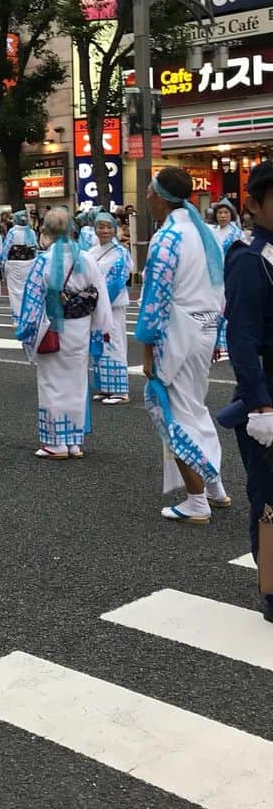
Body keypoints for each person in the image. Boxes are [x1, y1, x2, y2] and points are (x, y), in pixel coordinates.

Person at [136, 167, 230, 523]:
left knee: (170, 413)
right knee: (194, 408)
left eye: (148, 191)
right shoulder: (205, 233)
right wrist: (218, 334)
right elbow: (220, 291)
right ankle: (215, 487)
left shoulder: (167, 238)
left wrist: (146, 346)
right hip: (204, 330)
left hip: (176, 334)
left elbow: (155, 298)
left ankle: (196, 499)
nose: (146, 197)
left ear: (159, 196)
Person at [16, 207, 113, 460]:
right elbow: (100, 295)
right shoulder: (87, 258)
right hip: (80, 327)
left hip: (54, 327)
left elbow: (32, 302)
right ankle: (74, 441)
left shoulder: (44, 261)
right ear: (72, 229)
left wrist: (26, 332)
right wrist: (102, 328)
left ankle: (55, 442)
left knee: (52, 384)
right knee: (77, 383)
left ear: (46, 232)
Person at [224, 160, 273, 621]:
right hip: (267, 392)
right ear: (253, 204)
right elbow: (241, 337)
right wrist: (259, 406)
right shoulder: (248, 256)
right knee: (270, 495)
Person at [90, 212, 133, 406]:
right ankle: (105, 387)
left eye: (108, 227)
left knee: (114, 344)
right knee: (100, 346)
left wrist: (102, 299)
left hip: (113, 306)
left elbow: (119, 279)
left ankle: (120, 390)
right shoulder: (91, 252)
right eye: (100, 226)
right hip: (96, 306)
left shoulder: (121, 252)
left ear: (115, 229)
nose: (104, 231)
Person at [210, 198, 242, 359]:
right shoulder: (212, 231)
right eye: (220, 212)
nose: (223, 216)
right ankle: (215, 342)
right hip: (215, 276)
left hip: (230, 274)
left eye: (226, 212)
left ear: (231, 215)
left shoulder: (236, 233)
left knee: (227, 308)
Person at [0, 210, 38, 323]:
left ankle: (17, 317)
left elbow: (6, 249)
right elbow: (35, 248)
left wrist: (2, 264)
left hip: (15, 264)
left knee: (15, 291)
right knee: (28, 290)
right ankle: (29, 315)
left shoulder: (13, 232)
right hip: (30, 263)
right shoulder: (31, 232)